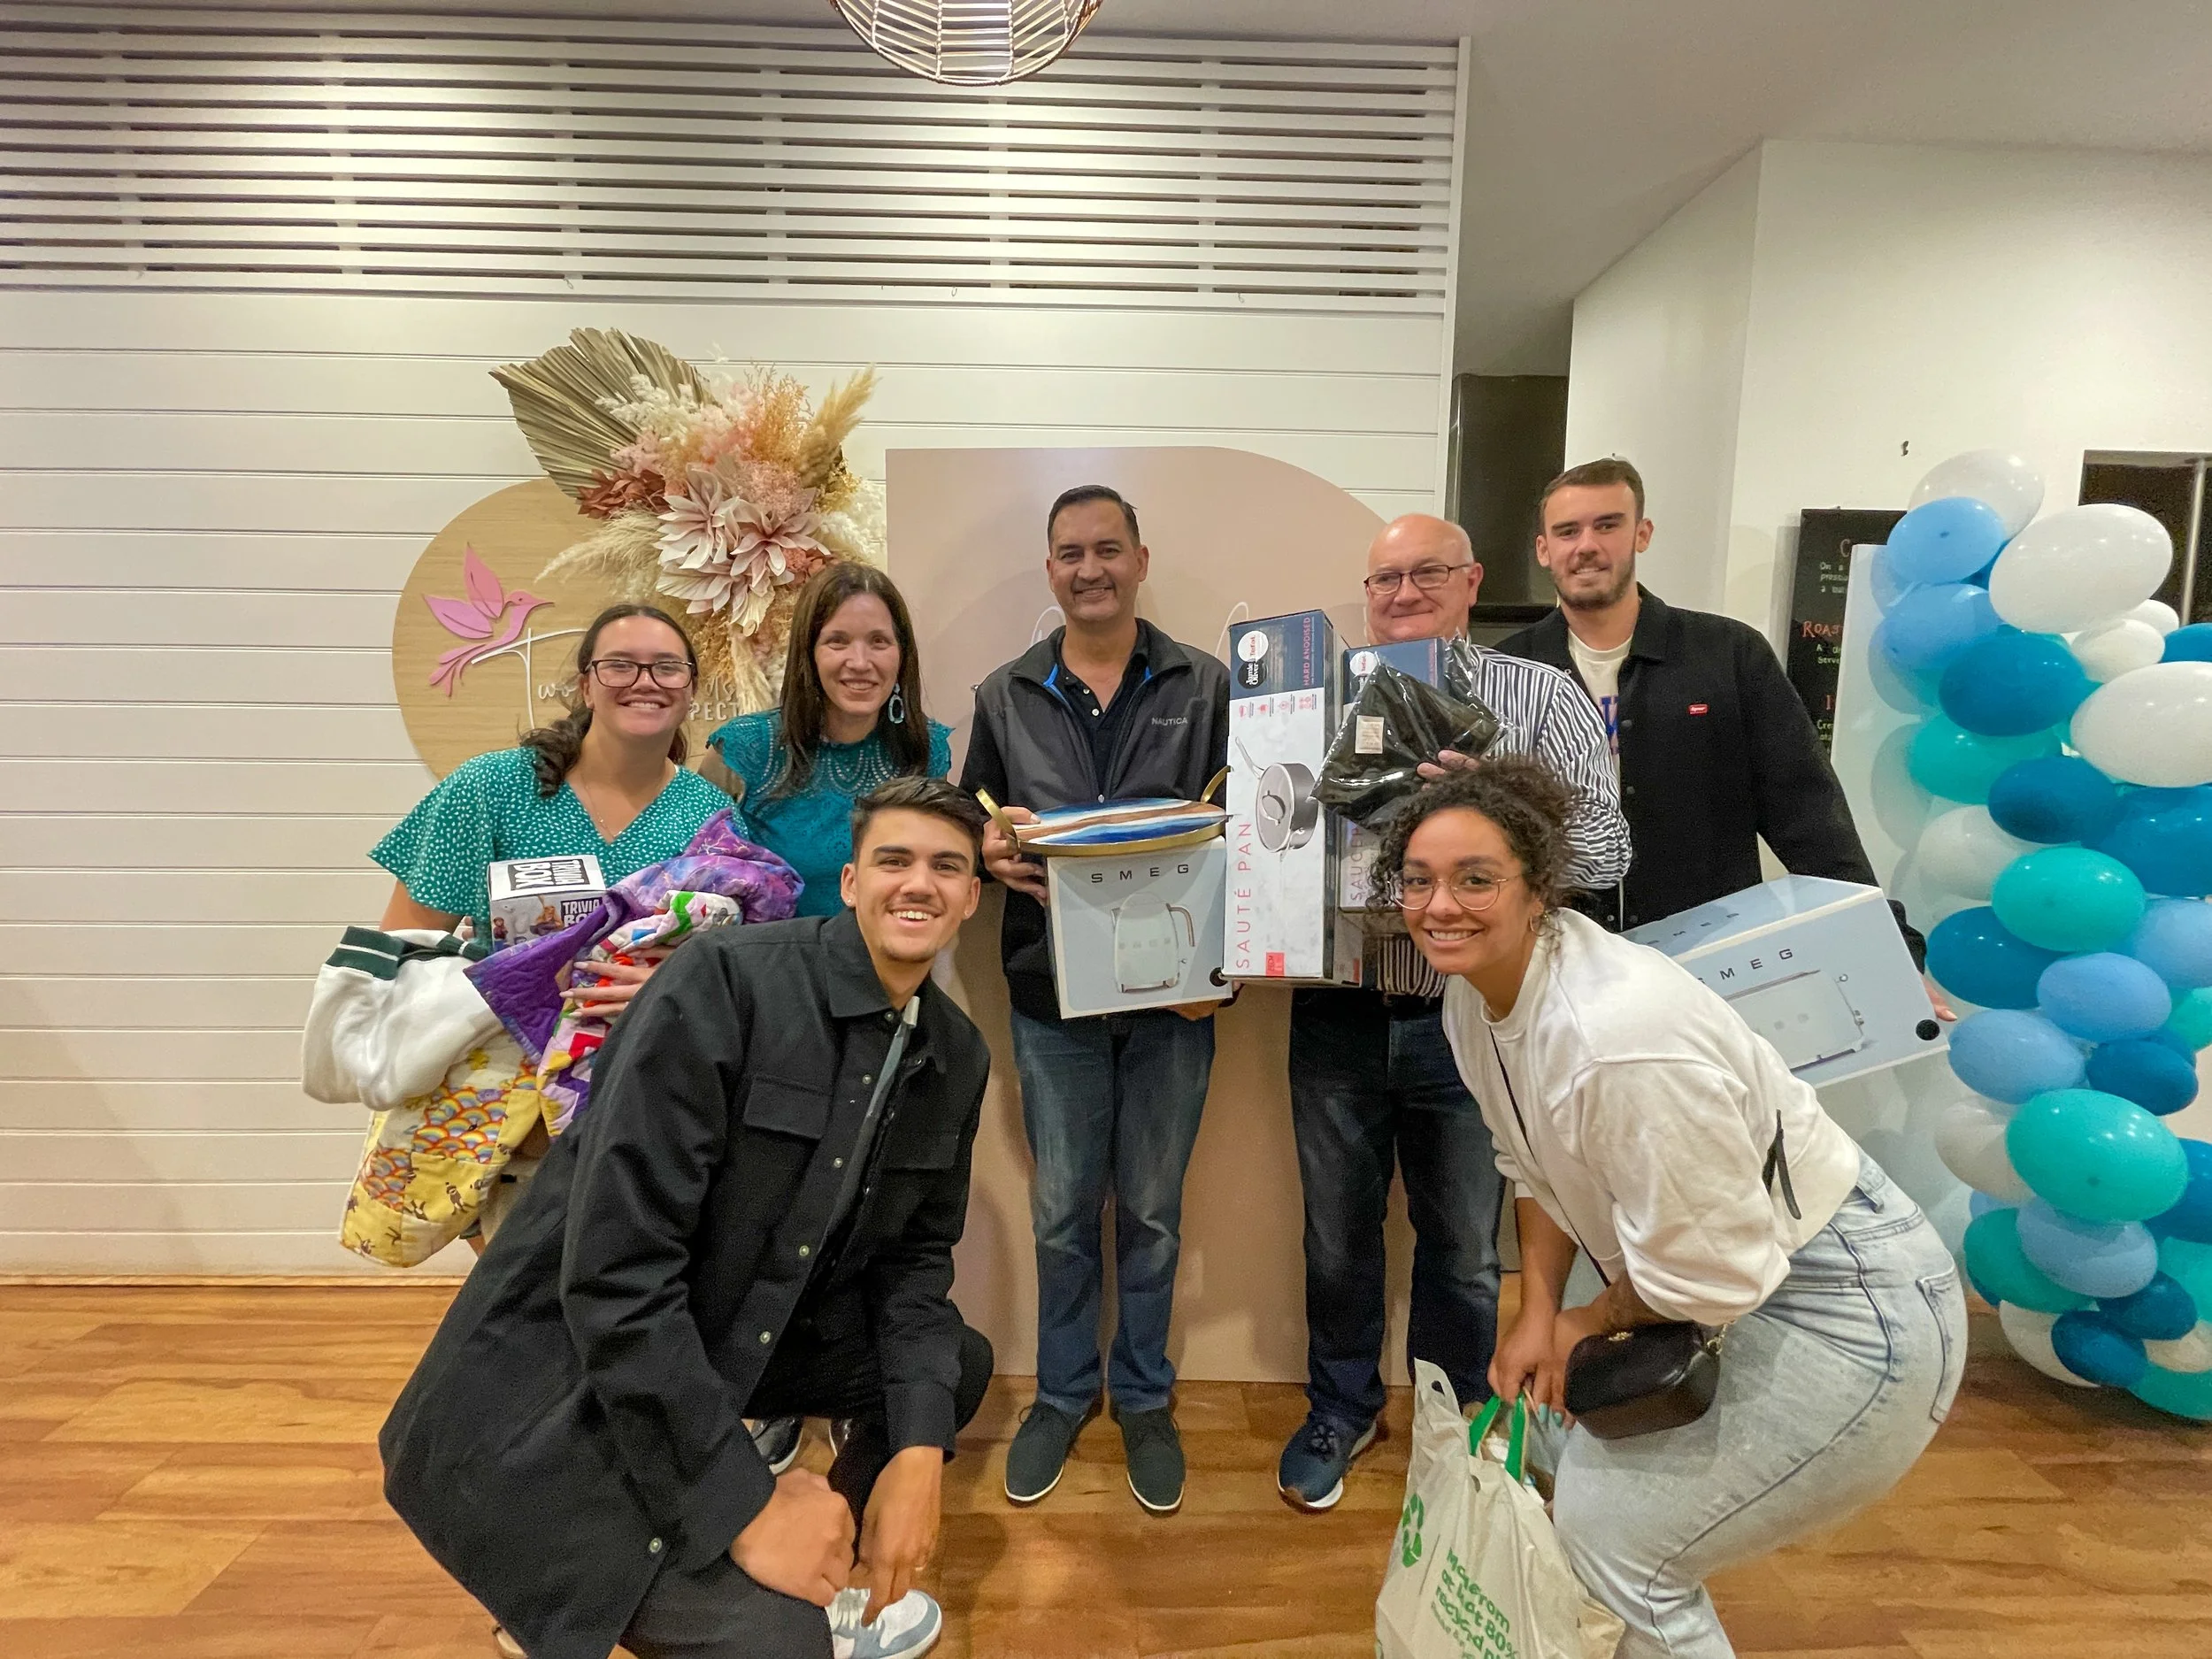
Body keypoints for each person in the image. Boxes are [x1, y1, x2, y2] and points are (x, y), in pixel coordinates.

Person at [380, 776, 999, 1659]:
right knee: (778, 1647)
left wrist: (918, 1458)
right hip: (568, 1382)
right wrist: (746, 1503)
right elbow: (612, 1276)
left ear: (972, 895)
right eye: (893, 859)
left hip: (730, 1333)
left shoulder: (953, 1053)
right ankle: (622, 1577)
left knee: (947, 1371)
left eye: (947, 867)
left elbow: (912, 1263)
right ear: (853, 881)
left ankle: (828, 1576)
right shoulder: (725, 984)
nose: (919, 884)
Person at [1382, 756, 1965, 1659]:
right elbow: (1529, 1165)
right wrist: (1537, 1312)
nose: (1438, 907)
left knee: (1614, 1544)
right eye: (1417, 881)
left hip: (1847, 1311)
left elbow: (1711, 1272)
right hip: (1722, 1280)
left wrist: (1586, 1318)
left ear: (1539, 889)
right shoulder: (1475, 999)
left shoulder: (1615, 1040)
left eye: (1475, 879)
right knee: (1547, 1447)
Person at [1276, 513, 1631, 1514]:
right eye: (1382, 580)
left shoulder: (1538, 695)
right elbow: (1269, 828)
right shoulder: (1312, 699)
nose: (1401, 595)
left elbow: (1606, 851)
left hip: (1473, 1021)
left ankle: (1454, 1419)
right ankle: (1340, 1411)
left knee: (1466, 1248)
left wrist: (1489, 809)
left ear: (1471, 580)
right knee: (1334, 1239)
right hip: (1336, 1008)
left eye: (1424, 573)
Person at [957, 483, 1230, 1517]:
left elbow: (1251, 829)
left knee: (1153, 1213)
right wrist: (986, 853)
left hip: (1176, 996)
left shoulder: (1205, 685)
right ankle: (1065, 1395)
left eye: (1107, 549)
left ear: (1140, 558)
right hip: (1050, 997)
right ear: (1050, 570)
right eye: (1070, 553)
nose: (1090, 569)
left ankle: (1145, 1399)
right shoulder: (1002, 694)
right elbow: (970, 833)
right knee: (1066, 1212)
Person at [1498, 456, 1928, 968]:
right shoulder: (1506, 670)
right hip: (1556, 959)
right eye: (1567, 531)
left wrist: (1884, 944)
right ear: (1544, 550)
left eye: (1607, 525)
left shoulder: (1727, 653)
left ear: (1642, 533)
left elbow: (1807, 815)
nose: (1586, 545)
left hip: (1705, 961)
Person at [705, 563, 953, 918]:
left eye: (878, 642)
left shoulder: (926, 749)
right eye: (838, 641)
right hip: (770, 964)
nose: (860, 662)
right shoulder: (745, 750)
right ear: (809, 653)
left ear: (902, 655)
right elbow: (700, 883)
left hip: (891, 965)